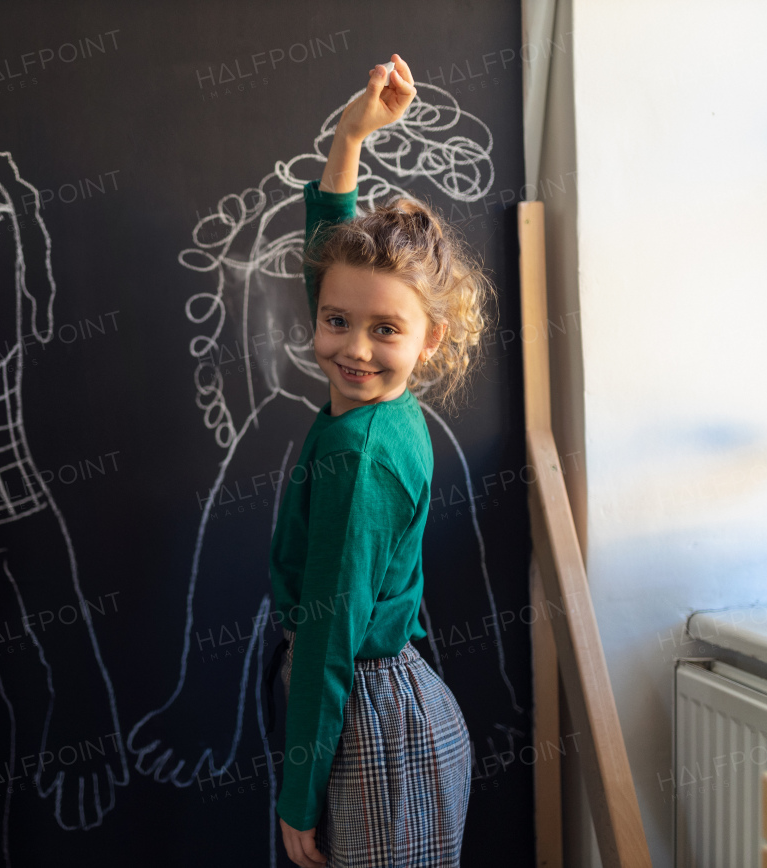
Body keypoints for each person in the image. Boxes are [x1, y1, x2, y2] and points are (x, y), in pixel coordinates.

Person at [270, 54, 491, 867]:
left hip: (370, 730)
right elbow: (330, 245)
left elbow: (329, 637)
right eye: (336, 321)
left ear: (432, 337)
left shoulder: (359, 459)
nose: (353, 349)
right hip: (378, 711)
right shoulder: (378, 404)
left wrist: (299, 796)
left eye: (385, 331)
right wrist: (353, 134)